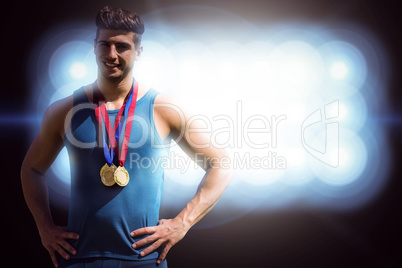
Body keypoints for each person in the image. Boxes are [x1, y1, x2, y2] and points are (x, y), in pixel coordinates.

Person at [21, 6, 233, 268]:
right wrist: (45, 228)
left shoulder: (164, 109)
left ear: (138, 52)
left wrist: (183, 223)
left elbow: (221, 163)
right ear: (94, 46)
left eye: (122, 46)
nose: (111, 54)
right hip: (79, 260)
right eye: (104, 45)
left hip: (142, 261)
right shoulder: (65, 111)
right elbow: (31, 168)